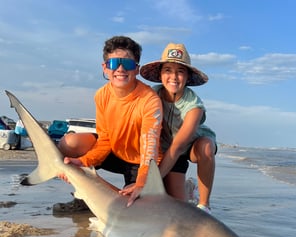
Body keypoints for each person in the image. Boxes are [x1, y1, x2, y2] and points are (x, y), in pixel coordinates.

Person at [53, 35, 163, 212]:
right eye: (113, 64)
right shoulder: (101, 95)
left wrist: (142, 182)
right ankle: (83, 198)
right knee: (69, 142)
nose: (120, 69)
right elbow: (104, 139)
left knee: (136, 209)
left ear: (136, 69)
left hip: (140, 161)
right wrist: (82, 162)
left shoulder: (149, 100)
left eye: (127, 64)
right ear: (105, 68)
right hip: (114, 152)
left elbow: (150, 148)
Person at [140, 43, 217, 214]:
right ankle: (188, 188)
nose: (174, 77)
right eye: (168, 70)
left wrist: (150, 184)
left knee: (206, 146)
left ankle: (205, 205)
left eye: (180, 71)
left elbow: (178, 147)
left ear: (187, 76)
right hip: (165, 150)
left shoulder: (194, 105)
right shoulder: (152, 96)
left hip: (190, 147)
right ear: (160, 74)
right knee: (173, 206)